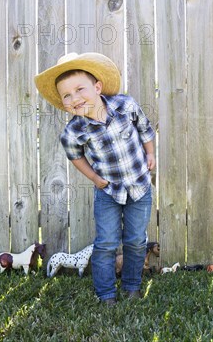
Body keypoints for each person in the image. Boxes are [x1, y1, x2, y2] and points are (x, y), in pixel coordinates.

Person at [35, 52, 156, 306]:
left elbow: (145, 128)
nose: (75, 98)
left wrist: (150, 153)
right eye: (66, 95)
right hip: (108, 192)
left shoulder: (125, 106)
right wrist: (94, 178)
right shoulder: (73, 132)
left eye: (80, 89)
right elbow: (75, 157)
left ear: (98, 87)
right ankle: (106, 294)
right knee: (107, 242)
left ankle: (132, 286)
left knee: (135, 240)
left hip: (139, 187)